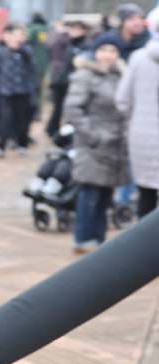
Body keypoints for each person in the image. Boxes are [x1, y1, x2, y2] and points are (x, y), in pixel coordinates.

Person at [66, 40, 129, 253]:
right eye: (103, 50)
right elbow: (73, 109)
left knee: (105, 195)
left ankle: (99, 240)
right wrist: (94, 136)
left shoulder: (121, 75)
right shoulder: (85, 75)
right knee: (89, 193)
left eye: (113, 50)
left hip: (115, 145)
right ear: (95, 52)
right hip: (93, 143)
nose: (108, 55)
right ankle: (83, 238)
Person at [115, 31, 159, 219]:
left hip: (143, 136)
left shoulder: (139, 57)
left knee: (146, 196)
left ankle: (146, 246)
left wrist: (137, 120)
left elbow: (122, 101)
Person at [0, 24, 38, 158]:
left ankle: (22, 144)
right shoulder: (0, 51)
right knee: (5, 118)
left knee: (22, 120)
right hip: (6, 92)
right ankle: (1, 145)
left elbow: (32, 68)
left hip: (23, 91)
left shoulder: (27, 50)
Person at [45, 18, 90, 138]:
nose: (73, 32)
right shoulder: (68, 42)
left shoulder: (84, 45)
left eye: (77, 29)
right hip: (62, 79)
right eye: (73, 29)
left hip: (75, 82)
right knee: (58, 107)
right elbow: (50, 45)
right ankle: (53, 129)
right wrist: (59, 32)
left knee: (71, 109)